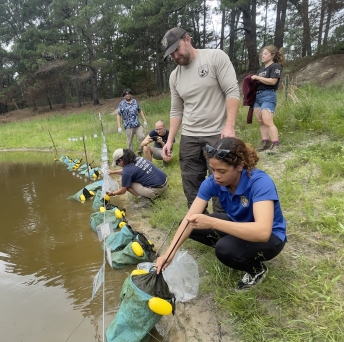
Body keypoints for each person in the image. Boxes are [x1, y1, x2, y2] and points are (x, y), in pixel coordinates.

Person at [156, 137, 287, 291]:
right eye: (213, 170)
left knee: (224, 249)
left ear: (239, 165)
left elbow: (262, 232)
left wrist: (213, 223)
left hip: (271, 237)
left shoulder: (259, 182)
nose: (216, 176)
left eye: (222, 171)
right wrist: (169, 254)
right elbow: (189, 220)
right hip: (239, 225)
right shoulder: (213, 182)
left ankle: (256, 269)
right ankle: (238, 248)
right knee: (192, 224)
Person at [160, 27, 240, 212]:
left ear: (187, 39)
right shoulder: (175, 76)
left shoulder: (215, 57)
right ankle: (198, 222)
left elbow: (232, 91)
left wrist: (230, 126)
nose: (175, 57)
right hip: (189, 137)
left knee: (221, 180)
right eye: (171, 54)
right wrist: (170, 140)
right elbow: (176, 110)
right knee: (190, 182)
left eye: (177, 49)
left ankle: (221, 223)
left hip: (216, 133)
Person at [251, 45, 285, 154]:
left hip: (268, 95)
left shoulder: (276, 66)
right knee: (260, 121)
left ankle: (275, 144)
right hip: (258, 96)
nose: (263, 55)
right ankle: (265, 142)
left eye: (265, 53)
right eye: (262, 54)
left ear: (273, 55)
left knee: (267, 121)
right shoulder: (261, 70)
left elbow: (272, 81)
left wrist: (257, 77)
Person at [117, 88, 148, 154]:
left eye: (129, 93)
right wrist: (119, 127)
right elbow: (118, 115)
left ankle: (140, 151)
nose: (127, 95)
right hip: (128, 126)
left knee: (142, 137)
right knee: (129, 141)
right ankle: (131, 155)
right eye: (126, 94)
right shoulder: (121, 104)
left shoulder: (135, 102)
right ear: (124, 96)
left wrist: (144, 120)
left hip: (137, 124)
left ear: (131, 94)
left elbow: (140, 110)